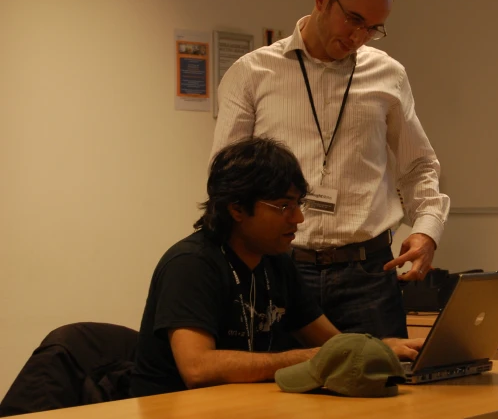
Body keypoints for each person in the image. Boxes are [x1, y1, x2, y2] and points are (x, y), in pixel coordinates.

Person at [211, 0, 450, 339]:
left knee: (384, 393)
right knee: (275, 393)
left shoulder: (388, 74)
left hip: (368, 273)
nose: (358, 37)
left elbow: (419, 166)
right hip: (279, 267)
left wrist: (427, 229)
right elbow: (224, 180)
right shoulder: (252, 73)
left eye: (373, 28)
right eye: (353, 19)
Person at [130, 137, 421, 397]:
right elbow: (198, 368)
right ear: (237, 208)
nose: (298, 219)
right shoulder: (191, 265)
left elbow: (334, 344)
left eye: (298, 204)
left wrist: (381, 348)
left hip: (247, 405)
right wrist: (312, 357)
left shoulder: (277, 261)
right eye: (284, 206)